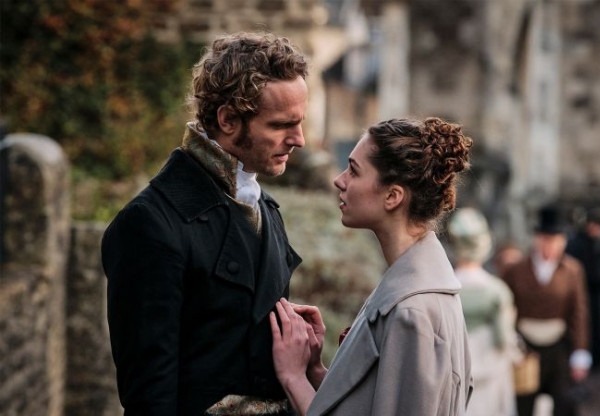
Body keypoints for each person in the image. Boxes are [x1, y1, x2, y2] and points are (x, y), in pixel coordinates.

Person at [101, 32, 307, 416]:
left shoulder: (264, 207)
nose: (300, 139)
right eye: (282, 125)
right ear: (228, 119)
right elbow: (149, 399)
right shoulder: (149, 223)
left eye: (300, 123)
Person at [268, 117, 474, 415]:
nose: (340, 180)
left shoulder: (411, 312)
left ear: (392, 196)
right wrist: (317, 370)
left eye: (354, 170)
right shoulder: (415, 288)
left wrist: (293, 376)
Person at [502, 205, 591, 416]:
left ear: (563, 242)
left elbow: (579, 312)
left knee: (564, 403)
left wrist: (580, 351)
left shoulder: (572, 270)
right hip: (525, 347)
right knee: (523, 404)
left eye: (555, 240)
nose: (550, 245)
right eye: (545, 239)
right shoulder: (516, 270)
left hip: (558, 346)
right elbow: (506, 309)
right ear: (536, 239)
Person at [448, 207, 519, 416]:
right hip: (489, 364)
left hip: (454, 363)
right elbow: (503, 337)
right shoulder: (496, 291)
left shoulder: (445, 288)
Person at [566, 207, 600, 370]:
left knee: (596, 326)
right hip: (585, 290)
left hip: (595, 291)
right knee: (584, 325)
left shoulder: (595, 243)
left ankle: (597, 358)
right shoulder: (579, 243)